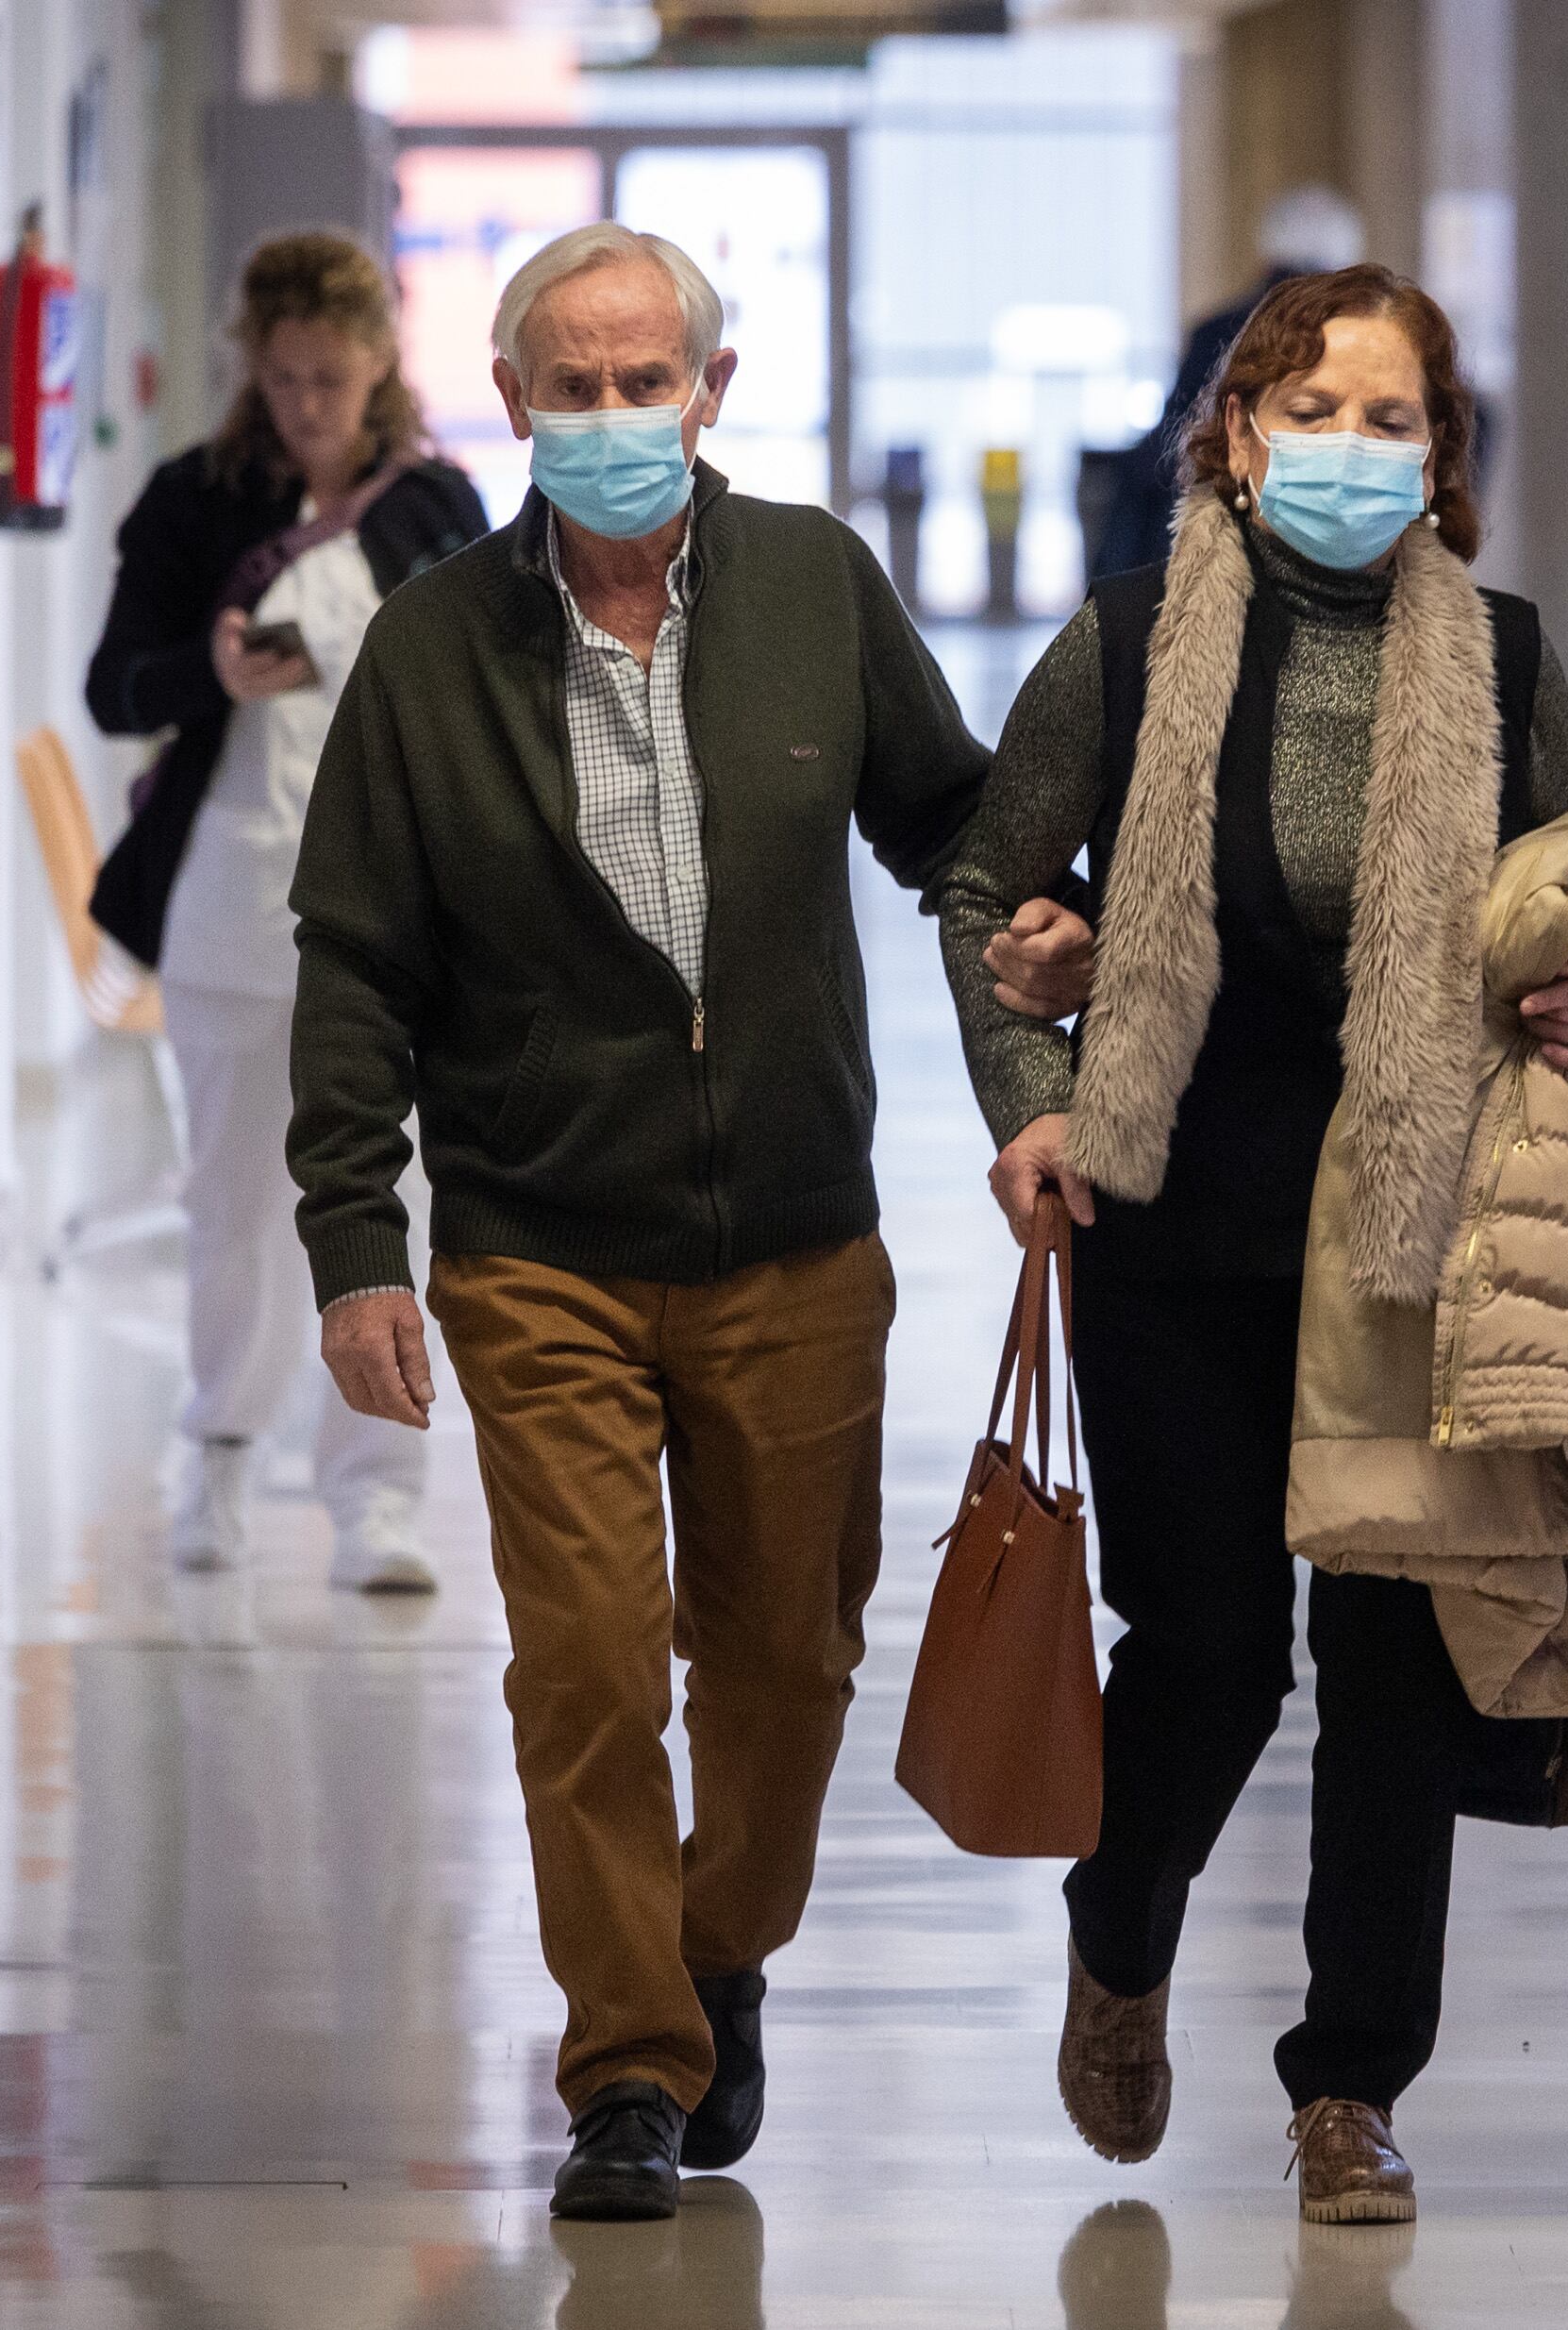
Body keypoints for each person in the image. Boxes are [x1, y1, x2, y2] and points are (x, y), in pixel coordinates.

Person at [284, 221, 1093, 2223]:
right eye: (578, 384)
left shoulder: (814, 585)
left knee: (784, 1660)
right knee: (580, 1658)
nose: (619, 414)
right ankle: (628, 2058)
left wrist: (1053, 923)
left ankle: (719, 1947)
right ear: (516, 402)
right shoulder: (434, 647)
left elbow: (949, 828)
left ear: (712, 392)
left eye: (653, 379)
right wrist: (353, 1244)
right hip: (536, 1235)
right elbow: (357, 960)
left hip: (795, 1234)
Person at [937, 264, 1568, 2226]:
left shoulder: (1504, 662)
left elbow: (1561, 915)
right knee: (1215, 1648)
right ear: (1238, 435)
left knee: (1395, 1656)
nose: (1348, 448)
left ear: (1442, 454)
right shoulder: (1138, 643)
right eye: (1308, 410)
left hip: (1423, 1228)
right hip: (1182, 1211)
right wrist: (1030, 1096)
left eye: (1389, 418)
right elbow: (989, 881)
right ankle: (1125, 1919)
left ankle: (1350, 2086)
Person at [84, 231, 489, 1593]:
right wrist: (203, 676)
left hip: (400, 917)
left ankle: (375, 1497)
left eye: (330, 376)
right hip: (224, 905)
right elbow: (110, 690)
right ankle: (215, 1458)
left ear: (379, 362)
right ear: (252, 371)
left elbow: (495, 695)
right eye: (283, 378)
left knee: (399, 1207)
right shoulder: (191, 501)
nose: (307, 402)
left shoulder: (436, 511)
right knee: (233, 1207)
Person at [1086, 184, 1364, 581]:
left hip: (1208, 547)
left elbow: (1170, 445)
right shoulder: (1366, 343)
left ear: (1267, 258)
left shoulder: (1220, 330)